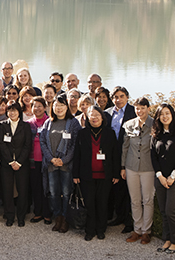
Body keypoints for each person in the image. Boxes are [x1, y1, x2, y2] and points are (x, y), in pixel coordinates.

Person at [72, 106, 120, 241]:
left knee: (102, 203)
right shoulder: (82, 133)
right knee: (89, 204)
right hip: (87, 175)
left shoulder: (109, 133)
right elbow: (77, 155)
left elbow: (115, 155)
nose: (95, 118)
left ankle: (101, 229)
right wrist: (75, 174)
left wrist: (116, 174)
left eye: (97, 115)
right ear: (87, 117)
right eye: (92, 115)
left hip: (105, 175)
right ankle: (89, 230)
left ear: (102, 117)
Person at [151, 103, 175, 255]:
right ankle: (166, 239)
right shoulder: (156, 134)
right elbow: (153, 156)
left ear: (172, 115)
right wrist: (160, 176)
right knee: (162, 210)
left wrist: (172, 177)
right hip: (160, 178)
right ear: (158, 117)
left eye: (167, 113)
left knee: (170, 211)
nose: (165, 116)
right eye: (162, 114)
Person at [39, 93, 81, 233]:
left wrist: (64, 160)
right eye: (56, 105)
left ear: (67, 107)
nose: (59, 108)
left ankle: (66, 217)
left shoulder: (73, 123)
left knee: (66, 192)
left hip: (66, 166)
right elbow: (43, 141)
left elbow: (75, 145)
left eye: (62, 105)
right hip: (51, 165)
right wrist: (51, 158)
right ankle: (58, 216)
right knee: (53, 192)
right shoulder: (48, 122)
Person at [121, 97, 156, 245]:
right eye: (137, 108)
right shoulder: (129, 125)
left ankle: (146, 231)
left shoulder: (155, 125)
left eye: (142, 108)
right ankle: (137, 229)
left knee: (147, 200)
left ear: (148, 108)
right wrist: (123, 167)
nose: (139, 111)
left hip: (148, 168)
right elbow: (125, 147)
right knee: (135, 200)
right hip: (131, 167)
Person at [105, 86, 136, 232]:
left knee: (129, 189)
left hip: (129, 154)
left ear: (127, 97)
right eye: (116, 97)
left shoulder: (133, 112)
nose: (118, 99)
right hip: (111, 156)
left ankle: (129, 221)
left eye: (121, 96)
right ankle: (118, 216)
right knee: (116, 187)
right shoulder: (107, 113)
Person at [0, 100, 32, 227]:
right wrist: (11, 161)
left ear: (19, 112)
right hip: (7, 164)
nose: (12, 113)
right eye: (10, 110)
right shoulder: (2, 125)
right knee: (7, 191)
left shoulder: (26, 126)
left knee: (22, 190)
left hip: (22, 164)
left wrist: (19, 162)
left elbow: (27, 145)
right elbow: (1, 145)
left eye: (15, 110)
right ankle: (10, 216)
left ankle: (21, 217)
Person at [27, 96, 51, 224]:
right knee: (36, 186)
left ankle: (47, 213)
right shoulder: (29, 124)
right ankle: (38, 212)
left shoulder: (49, 122)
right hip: (32, 160)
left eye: (39, 106)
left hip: (46, 160)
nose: (37, 108)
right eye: (34, 106)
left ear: (45, 107)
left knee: (46, 186)